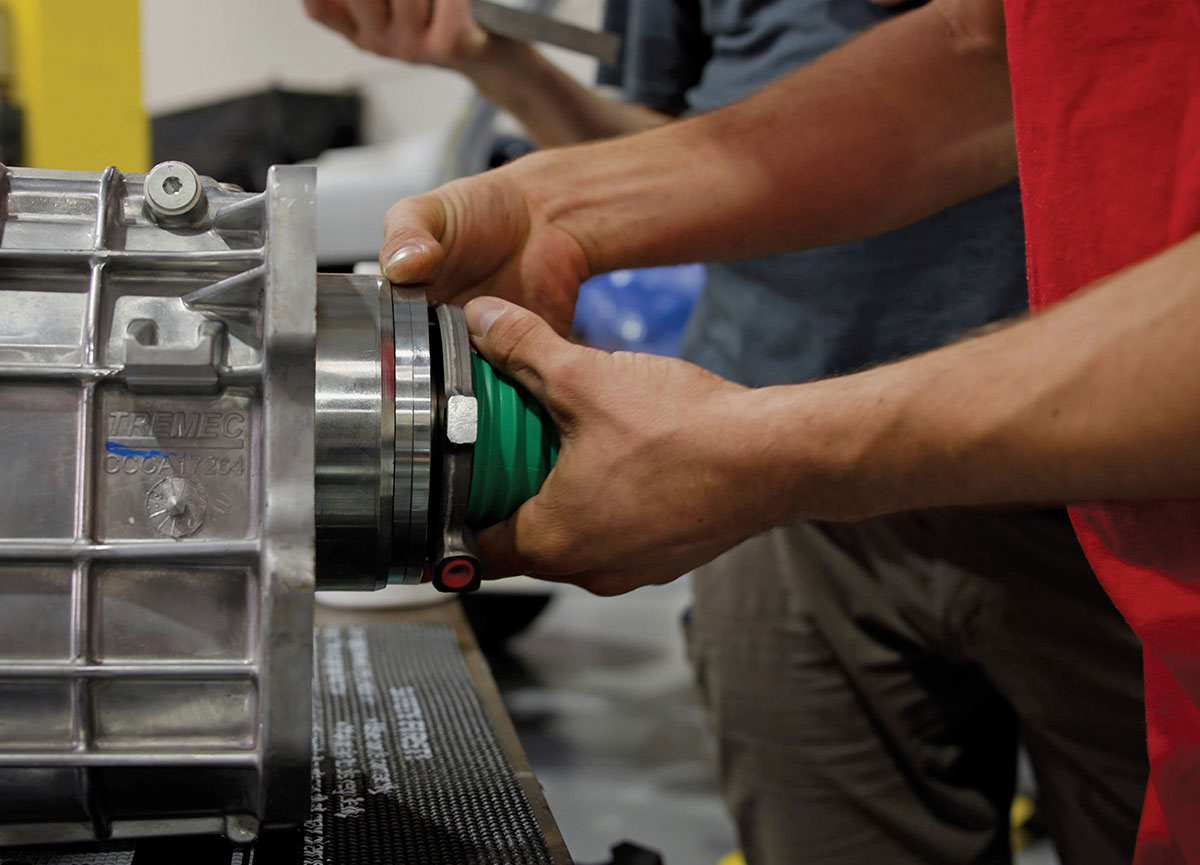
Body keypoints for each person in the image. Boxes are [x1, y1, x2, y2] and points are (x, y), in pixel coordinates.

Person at [304, 0, 1151, 862]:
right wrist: (559, 207)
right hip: (790, 519)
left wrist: (762, 451)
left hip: (1121, 515)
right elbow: (991, 60)